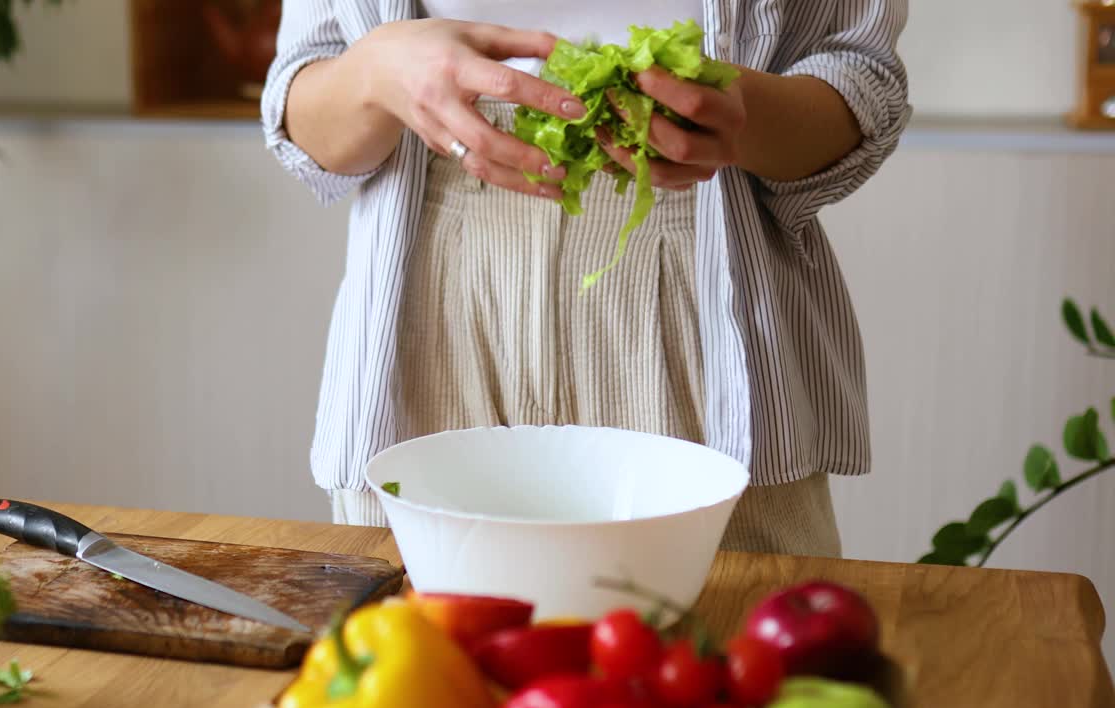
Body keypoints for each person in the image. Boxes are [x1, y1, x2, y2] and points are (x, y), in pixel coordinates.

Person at [261, 0, 910, 557]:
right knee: (424, 670)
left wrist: (738, 116)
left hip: (706, 315)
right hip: (429, 317)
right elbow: (303, 116)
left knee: (729, 667)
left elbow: (860, 76)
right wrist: (377, 70)